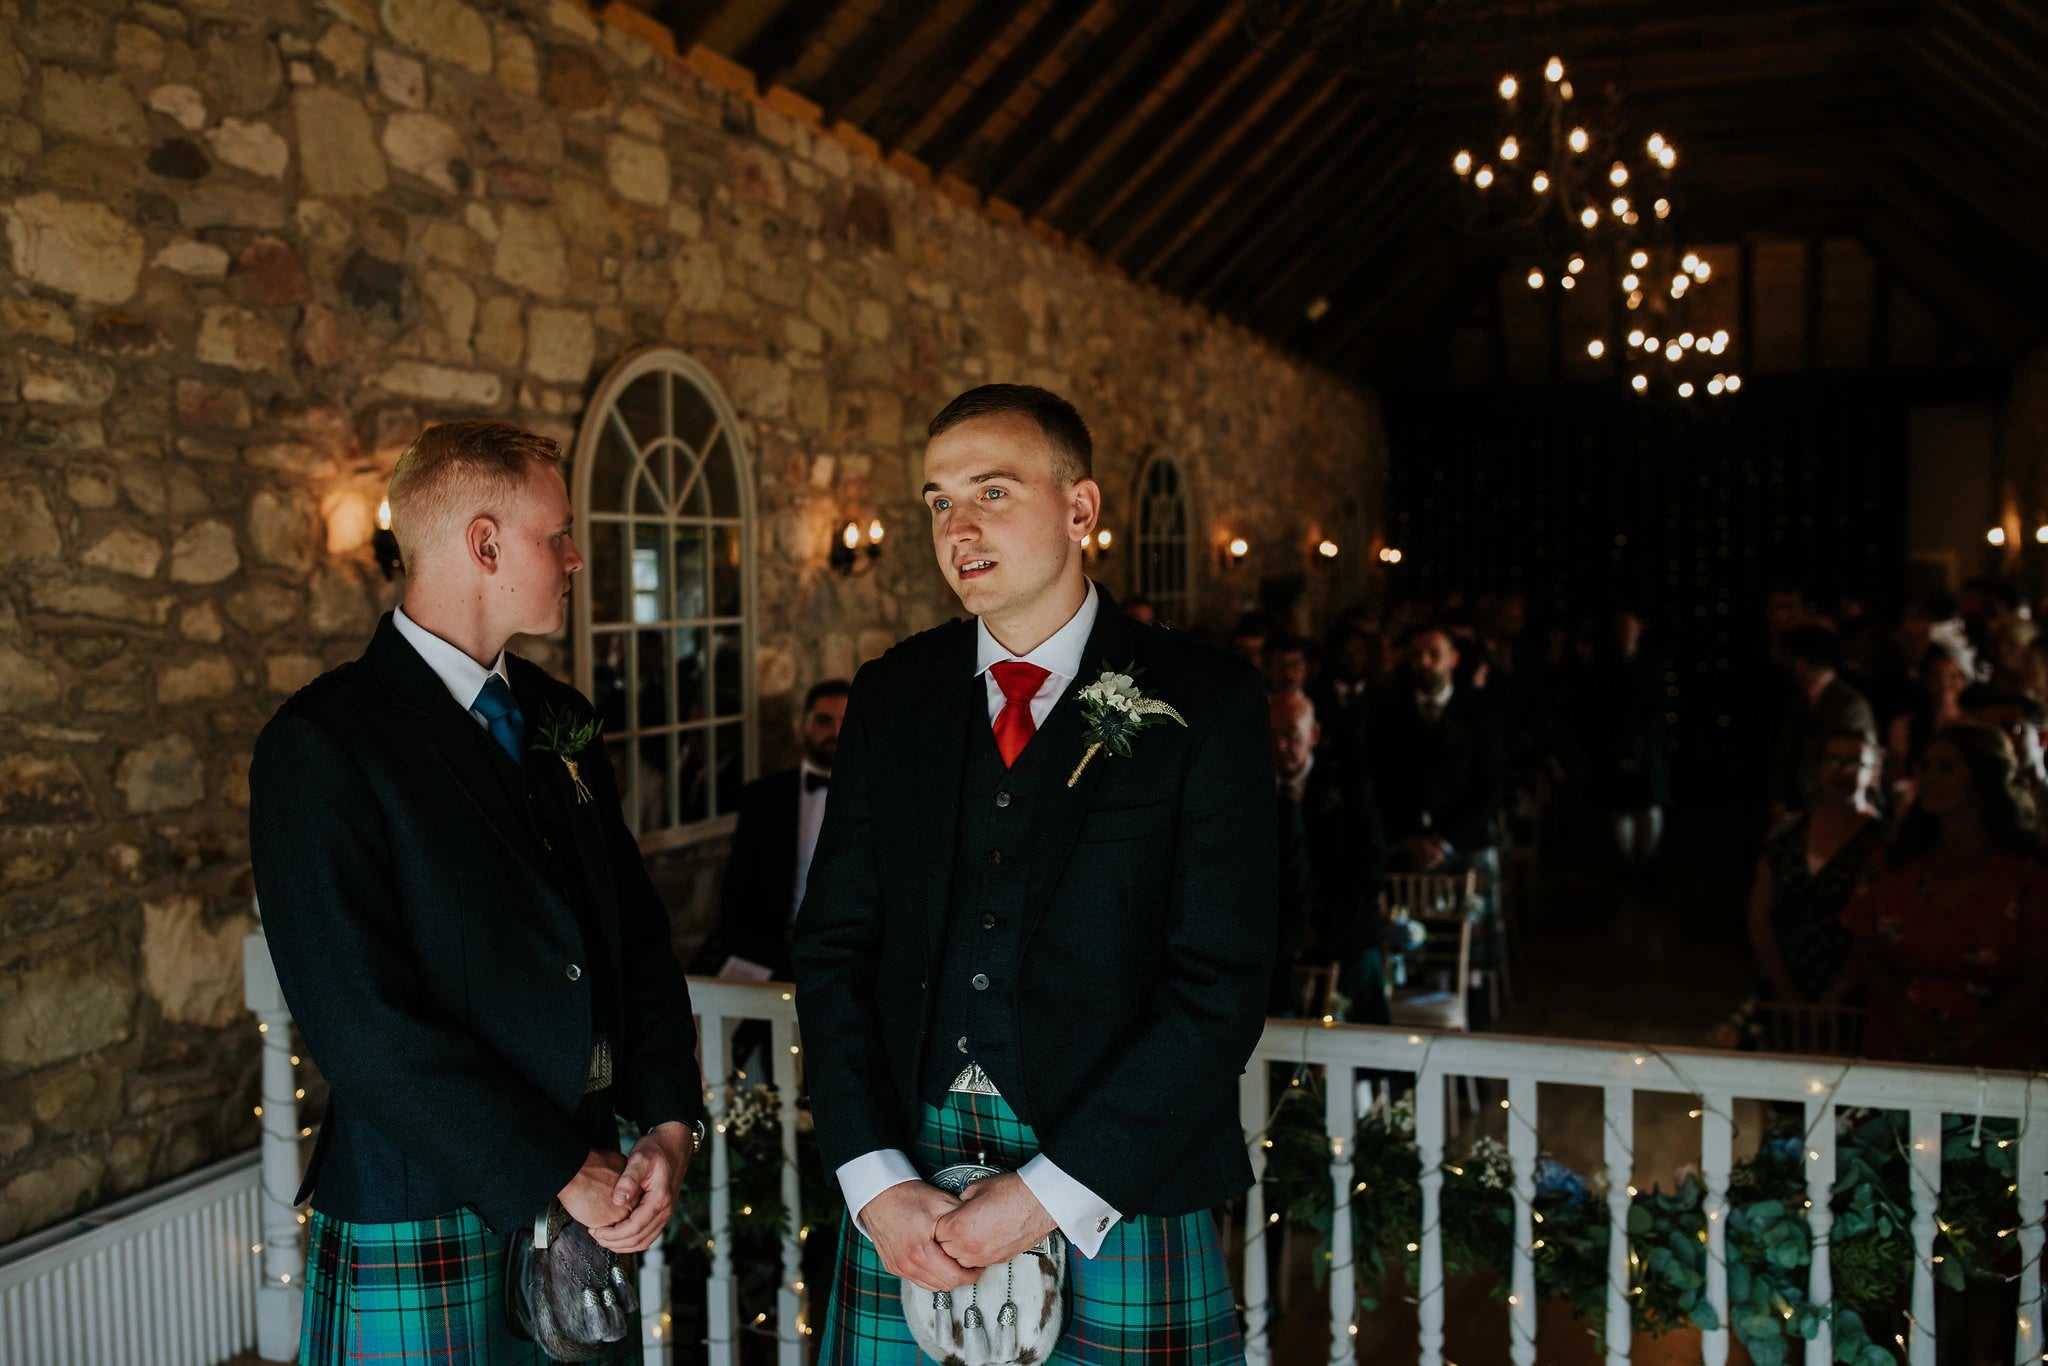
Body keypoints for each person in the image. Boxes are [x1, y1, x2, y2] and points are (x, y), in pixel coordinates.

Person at [794, 384, 1273, 1363]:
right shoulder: (891, 696)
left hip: (1118, 1187)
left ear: (1079, 508)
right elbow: (834, 948)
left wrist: (1053, 1192)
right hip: (908, 1192)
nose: (957, 527)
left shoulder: (1207, 701)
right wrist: (872, 1177)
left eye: (992, 492)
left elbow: (1220, 986)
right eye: (938, 501)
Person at [249, 420, 707, 1364]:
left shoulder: (559, 716)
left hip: (591, 1192)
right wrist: (558, 1167)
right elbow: (360, 1026)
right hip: (423, 1196)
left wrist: (668, 1120)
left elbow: (633, 939)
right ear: (485, 544)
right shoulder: (324, 744)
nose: (574, 557)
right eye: (558, 535)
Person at [1843, 725, 2048, 1069]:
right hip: (1898, 1049)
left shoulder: (2026, 874)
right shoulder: (1893, 863)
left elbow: (2039, 977)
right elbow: (1864, 953)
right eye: (1924, 767)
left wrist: (1963, 1039)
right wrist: (1915, 1029)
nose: (1929, 778)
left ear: (1983, 778)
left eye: (1946, 768)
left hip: (1997, 1059)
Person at [690, 679, 851, 983]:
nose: (836, 731)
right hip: (776, 953)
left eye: (846, 721)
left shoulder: (877, 800)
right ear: (802, 726)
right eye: (824, 721)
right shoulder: (762, 798)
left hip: (853, 954)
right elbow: (737, 889)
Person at [1269, 692, 1388, 1024]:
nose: (1280, 745)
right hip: (1275, 940)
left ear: (1314, 734)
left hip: (1340, 931)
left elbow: (1370, 869)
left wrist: (1323, 929)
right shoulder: (1246, 790)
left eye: (1291, 733)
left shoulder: (1349, 786)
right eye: (1271, 733)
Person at [1746, 730, 1885, 1005]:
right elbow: (1760, 915)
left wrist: (1839, 991)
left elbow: (1879, 928)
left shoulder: (1884, 841)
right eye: (1833, 760)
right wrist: (1783, 987)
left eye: (1853, 763)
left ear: (1873, 773)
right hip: (1783, 988)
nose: (1840, 771)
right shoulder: (1788, 834)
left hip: (1856, 999)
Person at [1586, 609, 1670, 869]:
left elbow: (1660, 703)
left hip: (1646, 745)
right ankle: (1626, 863)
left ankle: (1647, 862)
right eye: (1622, 629)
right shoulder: (1604, 666)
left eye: (1631, 628)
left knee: (1649, 807)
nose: (1627, 634)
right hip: (1615, 746)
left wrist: (1644, 735)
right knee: (1620, 808)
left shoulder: (1652, 664)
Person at [1768, 625, 1876, 824]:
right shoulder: (1800, 701)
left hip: (1832, 815)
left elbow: (1854, 763)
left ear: (1801, 663)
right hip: (1799, 815)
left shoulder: (1849, 706)